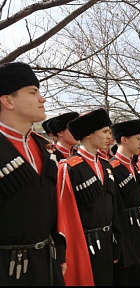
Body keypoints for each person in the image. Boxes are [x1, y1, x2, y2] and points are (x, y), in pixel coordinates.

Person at [0, 62, 65, 285]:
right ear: (8, 100)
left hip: (47, 262)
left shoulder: (44, 147)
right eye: (33, 92)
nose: (42, 99)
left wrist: (60, 250)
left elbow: (52, 207)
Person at [57, 108, 127, 285]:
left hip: (107, 241)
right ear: (88, 134)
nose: (109, 137)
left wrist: (117, 240)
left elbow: (116, 207)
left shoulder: (105, 166)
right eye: (104, 132)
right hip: (84, 244)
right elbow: (64, 215)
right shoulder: (70, 168)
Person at [110, 119, 140, 286]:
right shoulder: (112, 167)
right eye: (139, 138)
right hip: (124, 231)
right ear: (124, 139)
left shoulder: (134, 165)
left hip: (138, 228)